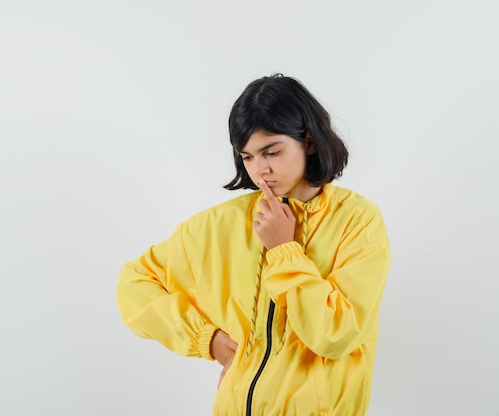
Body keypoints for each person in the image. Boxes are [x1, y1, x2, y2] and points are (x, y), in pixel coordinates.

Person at [117, 74, 390, 416]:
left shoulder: (358, 220)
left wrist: (283, 250)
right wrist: (209, 340)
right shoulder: (221, 224)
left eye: (271, 152)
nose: (260, 171)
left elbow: (335, 336)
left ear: (308, 141)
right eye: (247, 157)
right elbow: (134, 282)